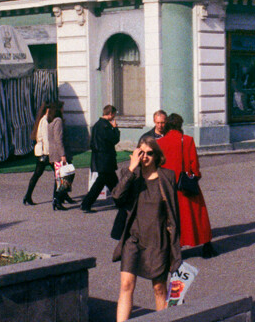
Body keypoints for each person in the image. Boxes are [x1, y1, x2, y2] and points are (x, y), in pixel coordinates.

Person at [113, 134, 181, 321]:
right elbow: (117, 197)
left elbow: (173, 216)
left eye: (149, 153)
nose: (144, 157)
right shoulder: (131, 176)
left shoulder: (167, 177)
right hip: (133, 239)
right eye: (141, 152)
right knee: (126, 285)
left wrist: (176, 249)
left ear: (157, 155)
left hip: (157, 240)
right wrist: (131, 168)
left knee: (159, 288)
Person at [161, 113, 215, 258]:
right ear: (180, 125)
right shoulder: (188, 140)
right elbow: (194, 165)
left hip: (167, 186)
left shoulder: (160, 143)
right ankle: (206, 244)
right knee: (198, 215)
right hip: (185, 184)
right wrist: (196, 177)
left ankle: (174, 248)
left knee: (171, 217)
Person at [82, 105, 121, 213]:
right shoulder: (106, 126)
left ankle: (120, 202)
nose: (114, 117)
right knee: (100, 184)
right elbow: (114, 139)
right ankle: (86, 204)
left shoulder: (96, 125)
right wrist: (115, 128)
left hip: (100, 158)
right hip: (106, 159)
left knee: (113, 182)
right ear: (110, 114)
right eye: (114, 114)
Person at [22, 101, 53, 206]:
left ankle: (28, 195)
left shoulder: (43, 120)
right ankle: (59, 196)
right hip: (45, 152)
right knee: (58, 174)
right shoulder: (44, 121)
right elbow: (45, 139)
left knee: (37, 174)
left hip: (42, 152)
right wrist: (49, 153)